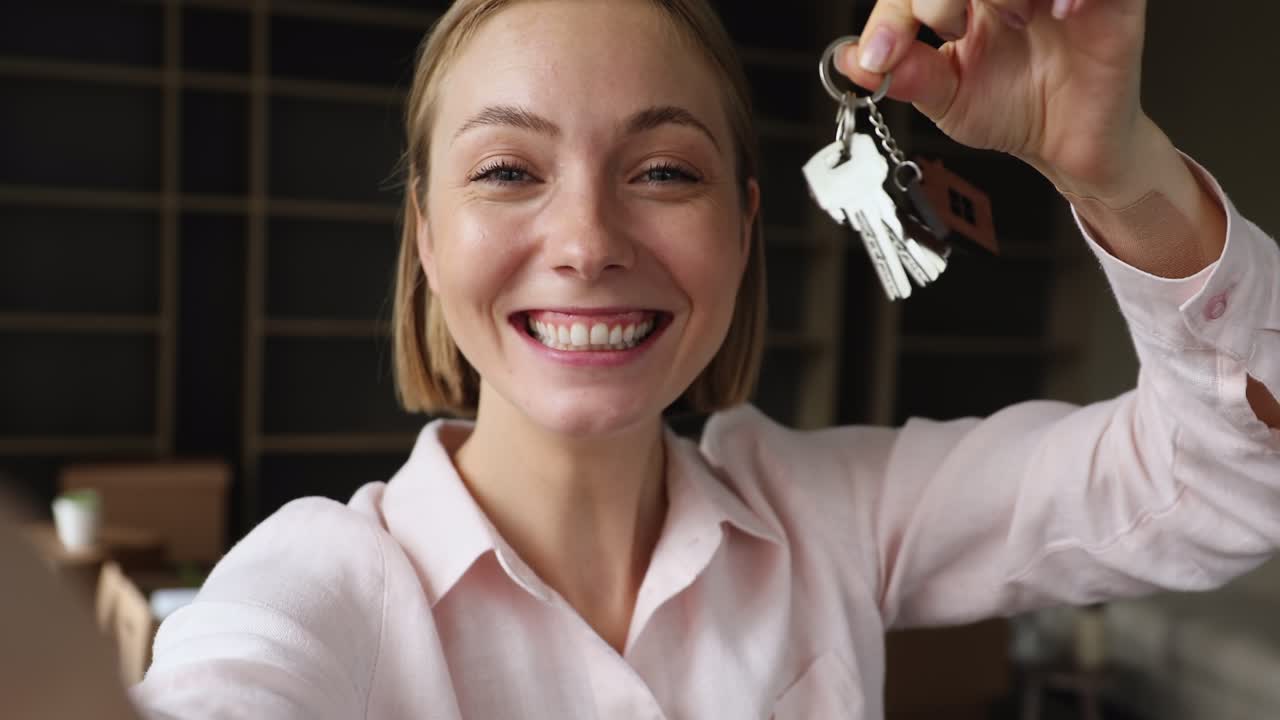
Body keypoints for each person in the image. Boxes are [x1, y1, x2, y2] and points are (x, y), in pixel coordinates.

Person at [123, 0, 1279, 718]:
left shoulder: (833, 512)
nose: (584, 244)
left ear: (740, 225)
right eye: (507, 171)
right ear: (425, 236)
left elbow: (1232, 476)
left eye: (664, 172)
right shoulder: (314, 588)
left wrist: (1118, 170)